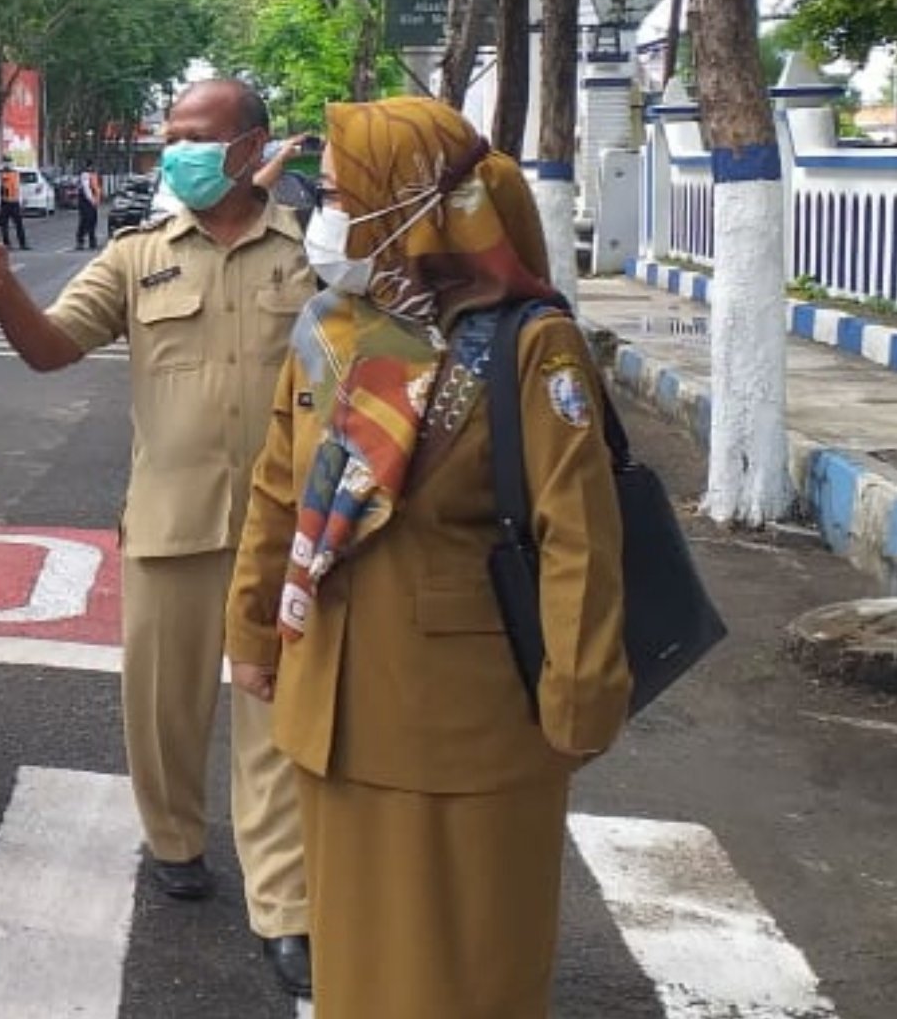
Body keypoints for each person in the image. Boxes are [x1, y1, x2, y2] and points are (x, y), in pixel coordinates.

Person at [223, 97, 632, 1018]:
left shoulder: (534, 345)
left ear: (415, 202)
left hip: (467, 718)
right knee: (360, 963)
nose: (323, 212)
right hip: (331, 696)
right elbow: (279, 490)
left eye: (338, 192)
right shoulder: (333, 331)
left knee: (471, 963)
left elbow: (578, 534)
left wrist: (580, 694)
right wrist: (252, 626)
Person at [0, 78, 314, 999]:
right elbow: (53, 349)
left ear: (250, 145)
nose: (178, 149)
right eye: (172, 136)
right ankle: (175, 843)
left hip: (290, 533)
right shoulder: (138, 255)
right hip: (171, 519)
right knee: (164, 708)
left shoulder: (314, 253)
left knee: (280, 721)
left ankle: (283, 905)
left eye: (199, 135)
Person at [0, 161, 28, 249]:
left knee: (18, 224)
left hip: (14, 202)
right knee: (5, 225)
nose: (8, 165)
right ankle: (8, 244)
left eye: (9, 163)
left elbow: (19, 187)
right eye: (7, 163)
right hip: (5, 202)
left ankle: (22, 244)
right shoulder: (1, 175)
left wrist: (22, 200)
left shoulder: (15, 174)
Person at [75, 159, 103, 250]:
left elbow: (97, 187)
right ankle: (80, 241)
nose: (94, 168)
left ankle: (92, 241)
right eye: (92, 166)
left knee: (93, 221)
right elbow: (87, 189)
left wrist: (97, 199)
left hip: (93, 202)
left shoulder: (93, 174)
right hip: (86, 202)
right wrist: (92, 200)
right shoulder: (85, 175)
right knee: (85, 220)